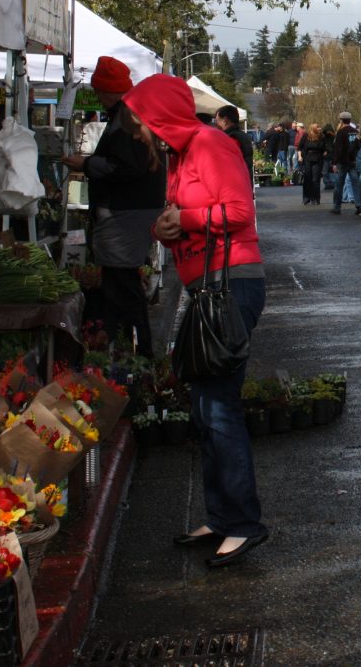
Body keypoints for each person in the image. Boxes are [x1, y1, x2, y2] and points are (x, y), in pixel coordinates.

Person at [124, 73, 268, 568]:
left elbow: (238, 211)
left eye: (140, 120)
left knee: (219, 405)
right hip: (210, 285)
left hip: (231, 285)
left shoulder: (209, 144)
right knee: (208, 407)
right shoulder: (181, 156)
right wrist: (167, 228)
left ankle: (244, 524)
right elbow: (187, 222)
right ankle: (224, 517)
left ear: (159, 115)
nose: (138, 131)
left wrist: (181, 221)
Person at [61, 57, 165, 358]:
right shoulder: (134, 115)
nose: (96, 95)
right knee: (120, 286)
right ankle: (121, 348)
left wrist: (86, 163)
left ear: (106, 91)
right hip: (134, 211)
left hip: (124, 214)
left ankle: (143, 356)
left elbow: (126, 168)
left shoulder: (125, 120)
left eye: (98, 89)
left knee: (123, 286)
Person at [330, 112, 361, 215]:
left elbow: (338, 149)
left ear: (341, 120)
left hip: (342, 162)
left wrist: (334, 162)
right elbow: (358, 146)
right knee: (356, 184)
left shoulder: (340, 132)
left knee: (339, 185)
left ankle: (337, 207)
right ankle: (359, 205)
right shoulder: (355, 132)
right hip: (353, 162)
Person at [214, 105, 254, 175]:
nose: (216, 124)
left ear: (225, 121)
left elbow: (227, 163)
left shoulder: (231, 138)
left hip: (235, 180)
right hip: (244, 179)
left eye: (217, 120)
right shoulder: (243, 135)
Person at [298, 123, 327, 205]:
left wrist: (325, 152)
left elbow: (325, 148)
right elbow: (300, 147)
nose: (319, 128)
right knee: (307, 178)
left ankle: (315, 198)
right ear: (313, 128)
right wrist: (300, 156)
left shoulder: (321, 137)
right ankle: (306, 197)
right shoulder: (306, 136)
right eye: (318, 127)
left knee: (316, 179)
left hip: (318, 159)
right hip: (308, 158)